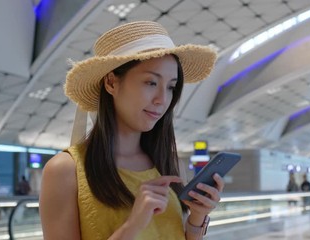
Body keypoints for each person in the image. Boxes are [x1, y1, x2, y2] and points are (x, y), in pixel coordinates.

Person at [39, 21, 221, 240]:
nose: (162, 99)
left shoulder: (168, 164)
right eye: (151, 83)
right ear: (111, 83)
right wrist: (133, 225)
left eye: (171, 87)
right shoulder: (65, 171)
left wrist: (197, 217)